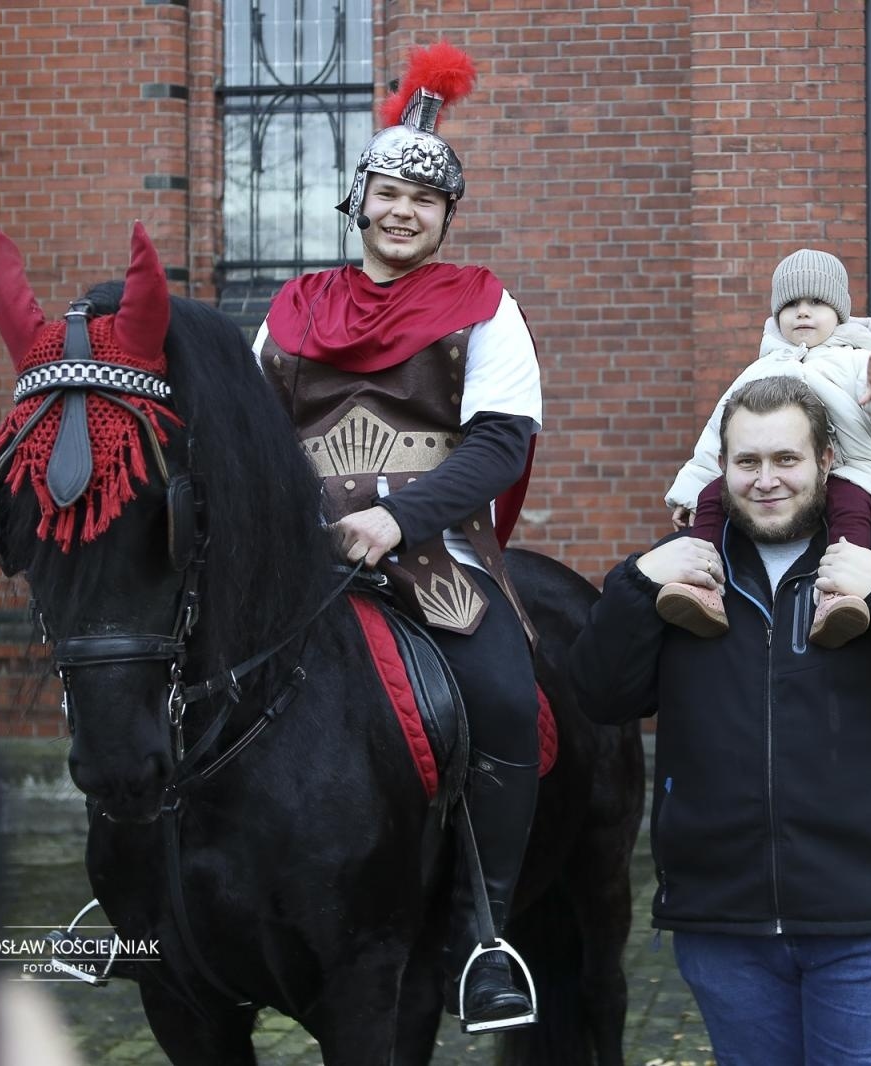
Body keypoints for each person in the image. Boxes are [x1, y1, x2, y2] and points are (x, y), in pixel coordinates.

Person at [571, 376, 871, 1066]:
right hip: (723, 922)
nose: (766, 479)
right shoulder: (684, 575)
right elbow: (599, 697)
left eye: (786, 459)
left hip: (868, 920)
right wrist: (636, 583)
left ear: (826, 461)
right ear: (721, 467)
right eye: (747, 461)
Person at [251, 41, 541, 1033]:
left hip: (433, 559)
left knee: (508, 699)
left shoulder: (485, 305)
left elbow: (500, 444)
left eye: (425, 200)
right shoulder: (293, 309)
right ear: (360, 200)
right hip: (300, 558)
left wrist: (396, 517)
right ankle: (144, 885)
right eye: (389, 193)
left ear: (445, 216)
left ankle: (482, 931)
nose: (404, 211)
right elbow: (254, 439)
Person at [660, 248, 871, 648]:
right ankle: (701, 585)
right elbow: (719, 434)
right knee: (712, 496)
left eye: (816, 302)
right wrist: (689, 491)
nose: (803, 312)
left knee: (850, 510)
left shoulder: (857, 361)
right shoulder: (761, 369)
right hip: (777, 470)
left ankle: (839, 595)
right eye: (792, 304)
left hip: (849, 470)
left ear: (839, 313)